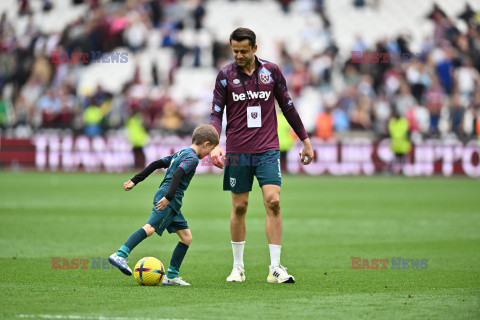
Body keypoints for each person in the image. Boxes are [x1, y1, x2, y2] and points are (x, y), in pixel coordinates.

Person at [209, 28, 314, 283]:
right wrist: (213, 144)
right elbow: (215, 113)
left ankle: (275, 267)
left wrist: (306, 141)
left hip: (268, 148)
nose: (239, 55)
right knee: (240, 206)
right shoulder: (225, 75)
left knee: (274, 201)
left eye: (244, 50)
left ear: (255, 48)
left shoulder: (272, 72)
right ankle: (238, 267)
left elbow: (288, 106)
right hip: (237, 151)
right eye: (235, 50)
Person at [108, 124, 219, 286]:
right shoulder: (192, 158)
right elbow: (178, 174)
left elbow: (156, 164)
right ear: (206, 144)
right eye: (210, 150)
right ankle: (120, 254)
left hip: (171, 199)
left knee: (186, 237)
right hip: (169, 198)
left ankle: (172, 276)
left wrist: (134, 180)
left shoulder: (181, 152)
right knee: (150, 228)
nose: (209, 154)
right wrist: (168, 197)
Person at [388, 109, 411, 174]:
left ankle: (404, 170)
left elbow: (407, 132)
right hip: (396, 144)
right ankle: (396, 170)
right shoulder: (393, 122)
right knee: (397, 158)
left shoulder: (403, 121)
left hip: (402, 144)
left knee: (403, 158)